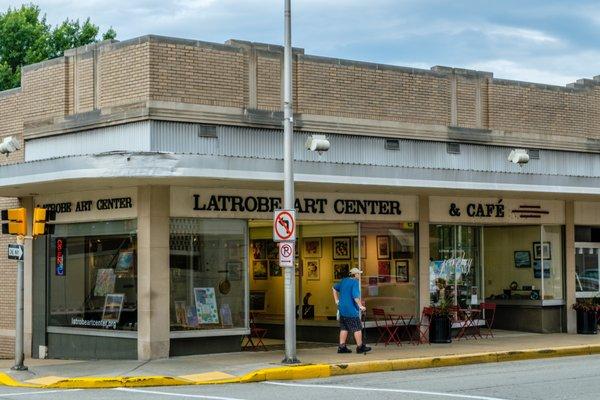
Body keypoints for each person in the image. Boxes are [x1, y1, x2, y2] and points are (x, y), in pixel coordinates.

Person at [332, 267, 372, 354]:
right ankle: (360, 347)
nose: (359, 275)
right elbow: (355, 297)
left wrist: (336, 300)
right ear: (354, 275)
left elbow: (334, 288)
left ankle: (341, 347)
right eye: (358, 274)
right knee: (357, 328)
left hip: (342, 309)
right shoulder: (355, 282)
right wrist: (361, 306)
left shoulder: (344, 281)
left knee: (344, 328)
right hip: (351, 310)